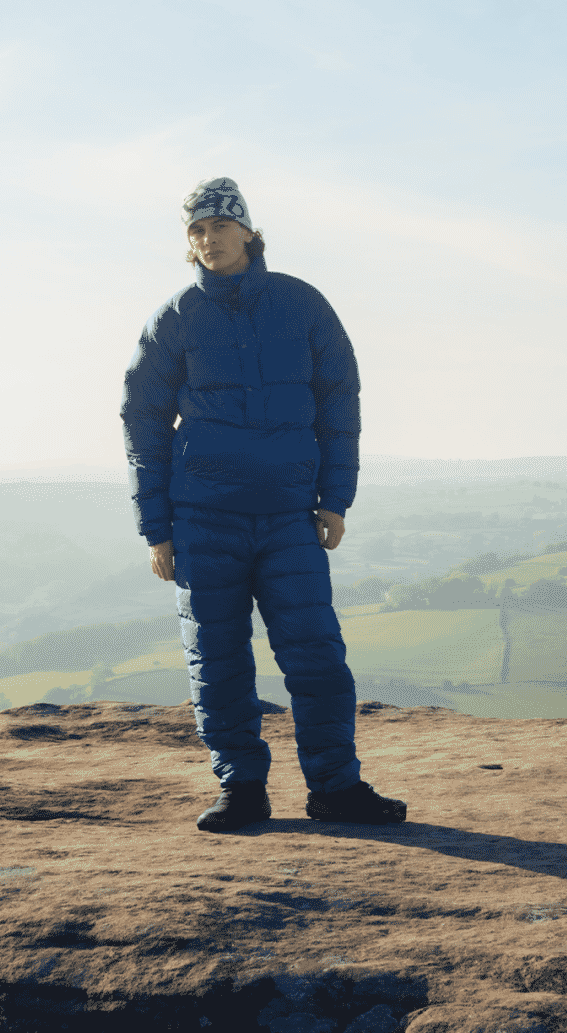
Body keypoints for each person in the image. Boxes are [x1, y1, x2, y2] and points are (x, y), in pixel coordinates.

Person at [120, 177, 406, 833]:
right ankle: (241, 788)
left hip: (287, 517)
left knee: (317, 658)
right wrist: (154, 528)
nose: (207, 239)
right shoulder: (175, 318)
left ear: (247, 231)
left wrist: (336, 498)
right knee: (217, 662)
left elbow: (340, 402)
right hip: (201, 518)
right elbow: (141, 420)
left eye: (219, 226)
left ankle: (335, 786)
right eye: (195, 231)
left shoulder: (301, 305)